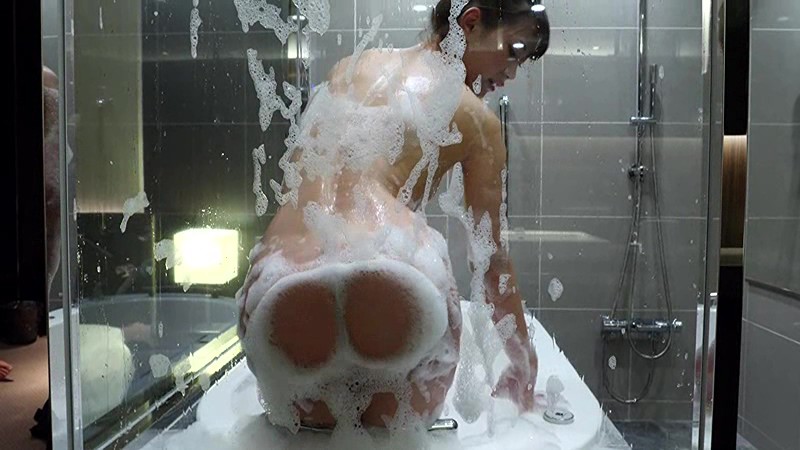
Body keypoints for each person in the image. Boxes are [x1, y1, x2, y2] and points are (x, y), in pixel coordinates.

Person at [237, 0, 550, 432]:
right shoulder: (476, 118)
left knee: (313, 435)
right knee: (387, 433)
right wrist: (523, 362)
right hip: (394, 275)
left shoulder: (352, 67)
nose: (512, 72)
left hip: (279, 281)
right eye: (514, 51)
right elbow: (491, 262)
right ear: (471, 22)